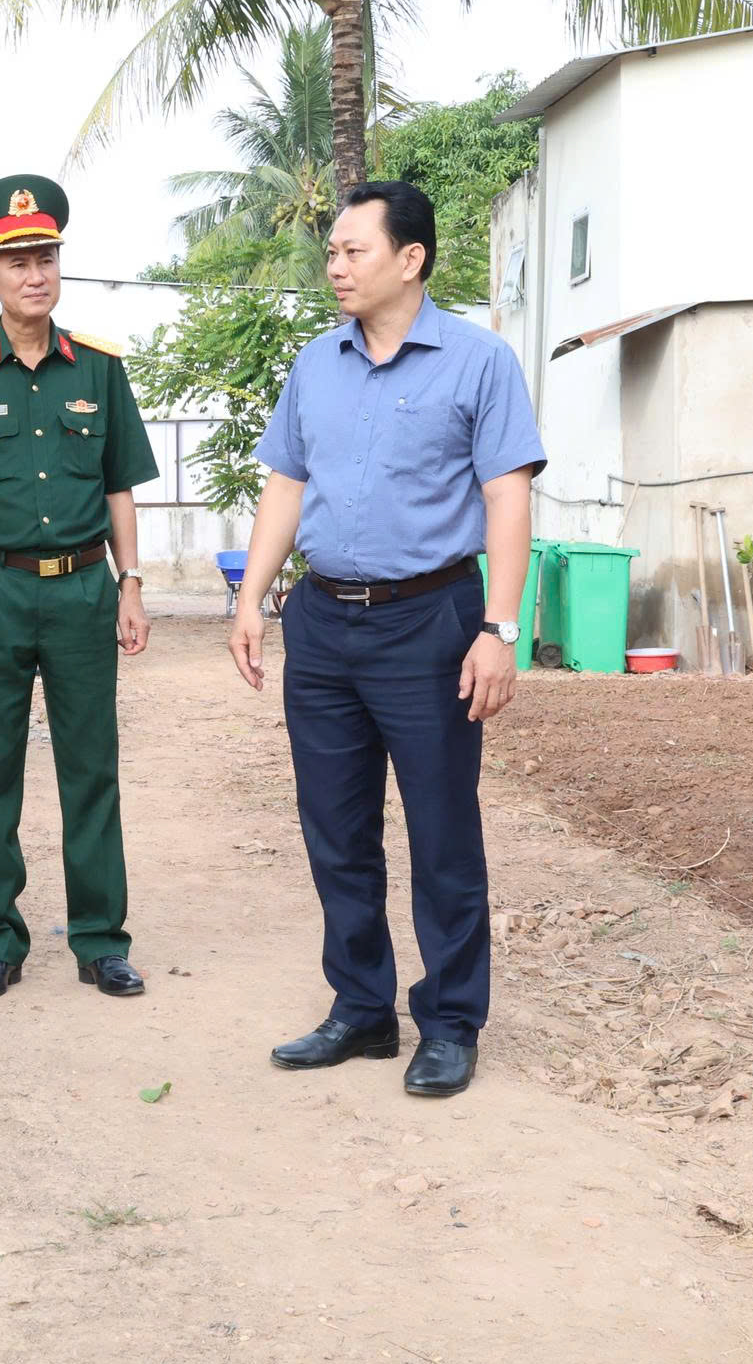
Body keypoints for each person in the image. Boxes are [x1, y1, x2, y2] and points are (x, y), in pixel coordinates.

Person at [228, 179, 544, 1099]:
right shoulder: (314, 364)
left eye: (353, 250)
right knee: (335, 828)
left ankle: (449, 1021)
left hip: (430, 621)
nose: (335, 266)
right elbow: (287, 483)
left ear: (411, 259)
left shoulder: (479, 362)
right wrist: (250, 599)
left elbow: (507, 495)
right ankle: (362, 1006)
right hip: (323, 622)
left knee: (442, 831)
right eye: (332, 252)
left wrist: (499, 628)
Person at [0, 174, 159, 1001]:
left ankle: (101, 939)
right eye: (16, 262)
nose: (35, 275)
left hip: (84, 589)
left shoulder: (100, 369)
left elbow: (120, 485)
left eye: (46, 257)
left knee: (92, 768)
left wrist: (131, 583)